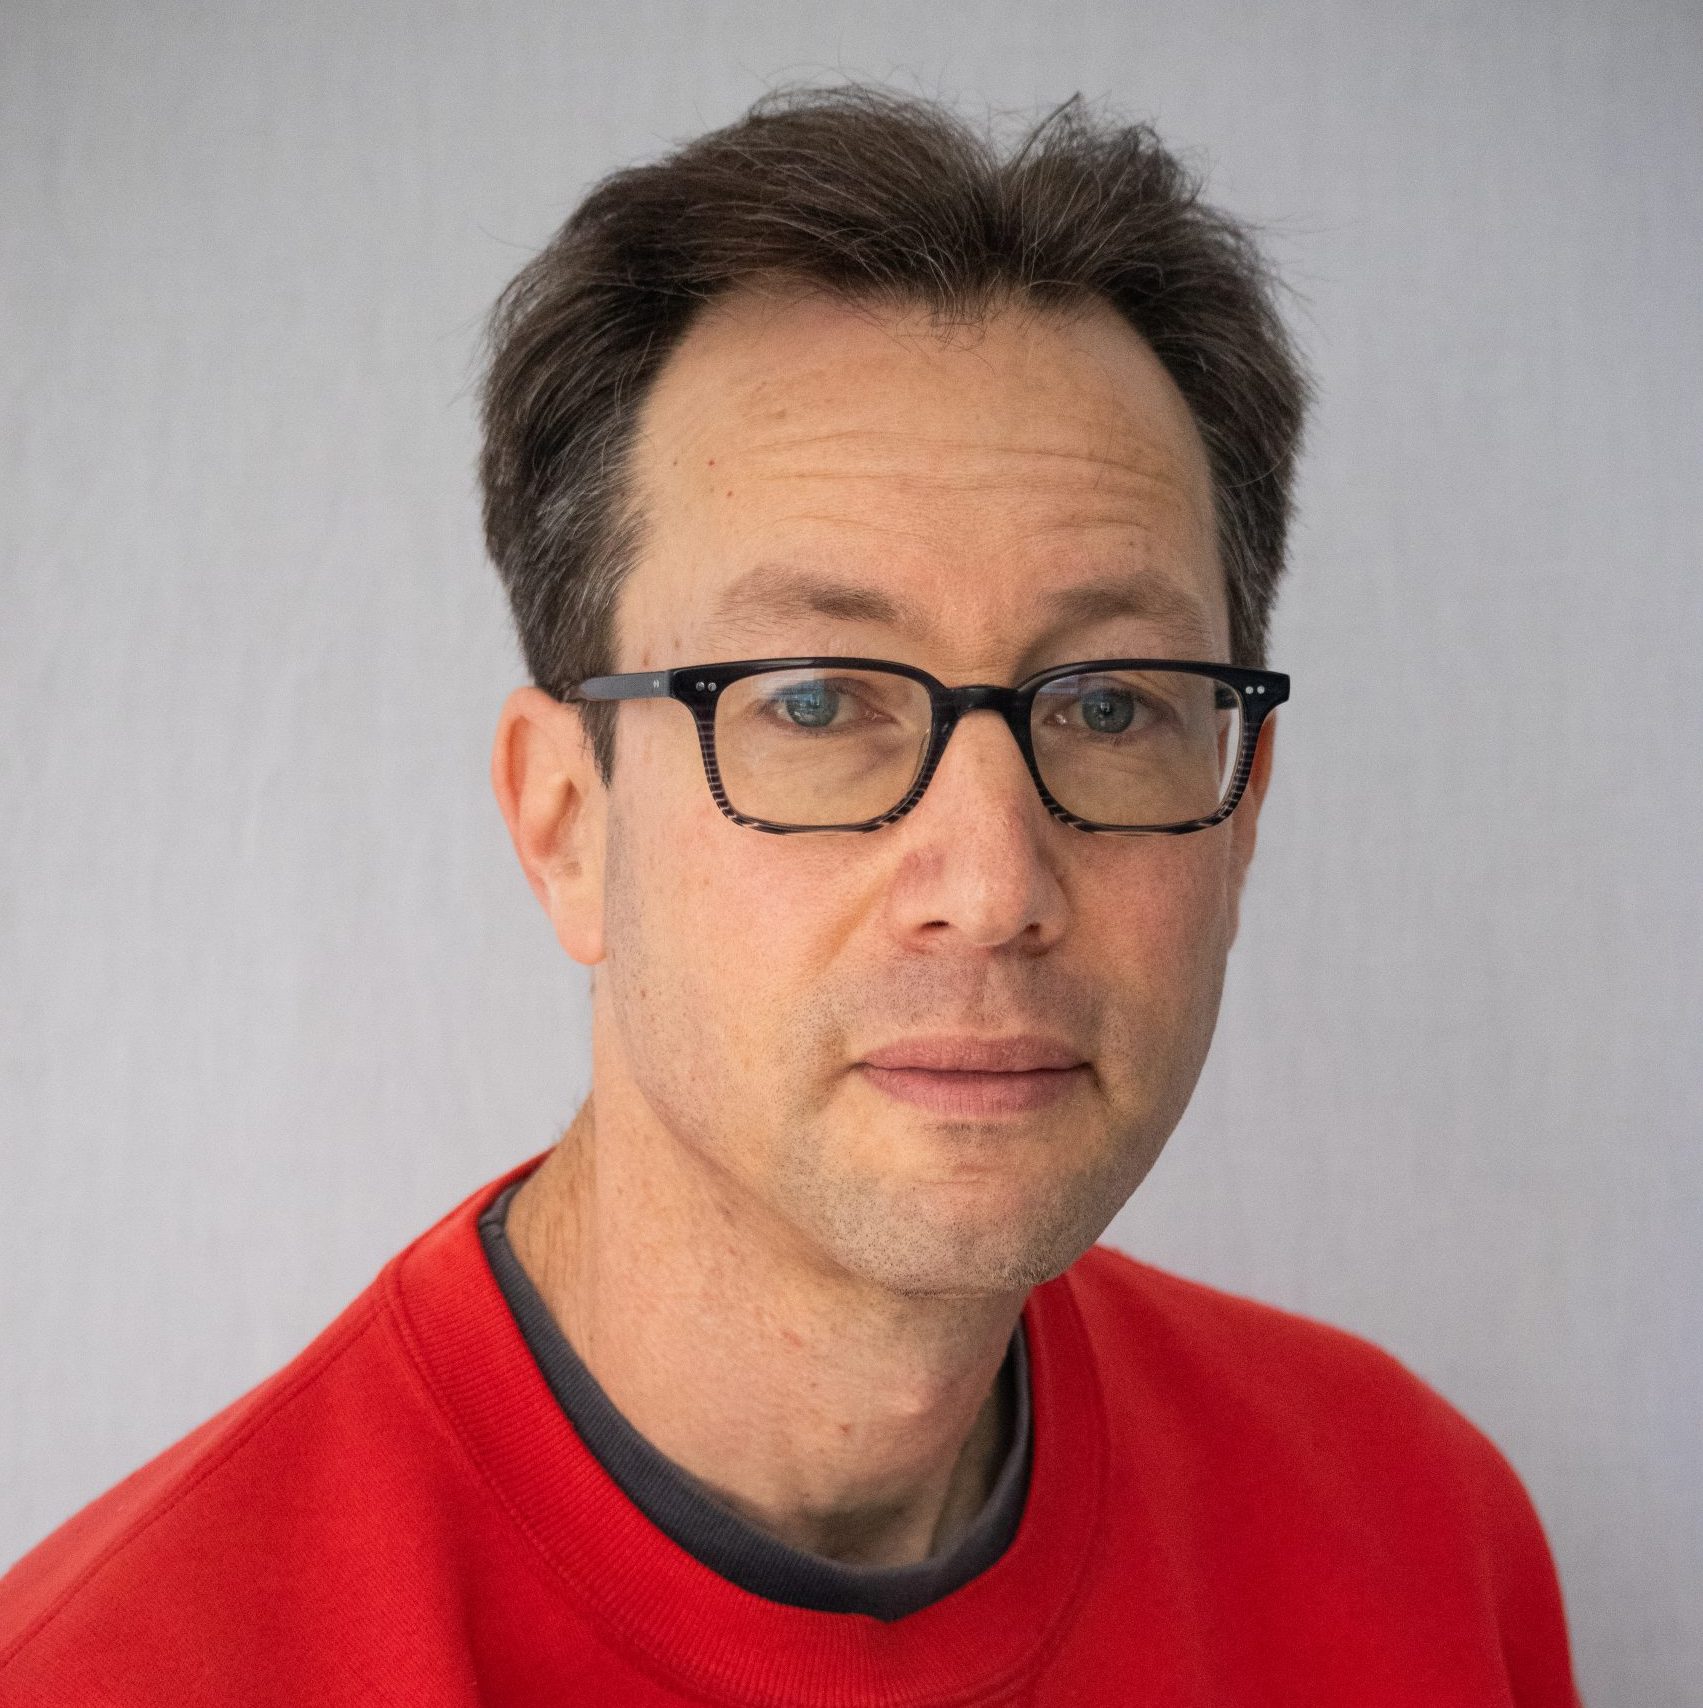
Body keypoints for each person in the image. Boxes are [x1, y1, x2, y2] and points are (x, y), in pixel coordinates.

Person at [0, 87, 1580, 1705]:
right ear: (565, 826)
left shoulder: (1419, 1532)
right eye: (817, 701)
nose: (989, 884)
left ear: (1239, 823)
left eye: (1109, 705)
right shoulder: (125, 1670)